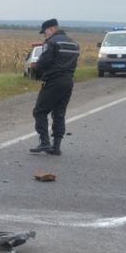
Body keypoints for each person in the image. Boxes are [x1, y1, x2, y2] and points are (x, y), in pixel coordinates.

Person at [30, 18, 80, 155]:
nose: (44, 35)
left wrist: (35, 68)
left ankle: (44, 142)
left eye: (44, 32)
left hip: (53, 81)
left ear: (51, 29)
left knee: (39, 111)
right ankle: (56, 146)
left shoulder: (51, 42)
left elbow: (45, 62)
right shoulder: (74, 44)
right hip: (68, 82)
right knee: (59, 113)